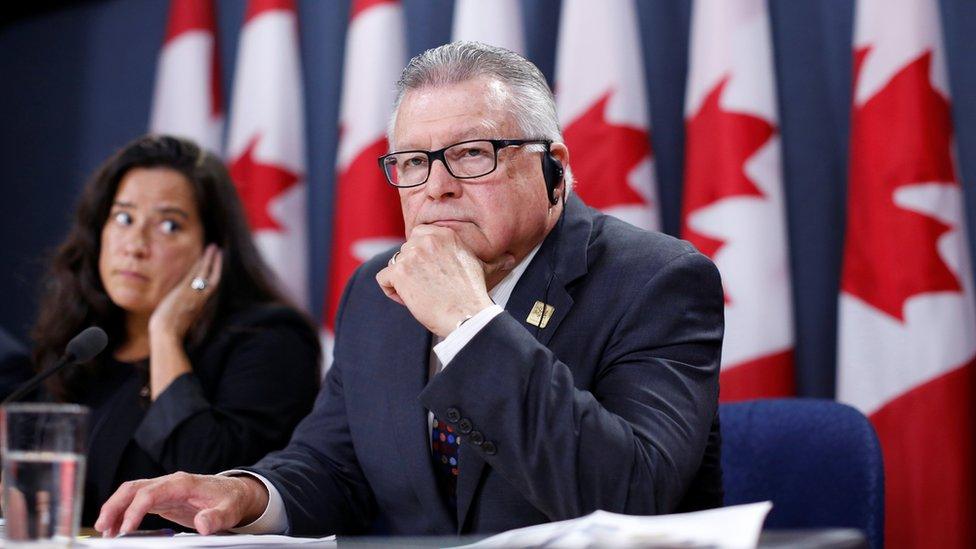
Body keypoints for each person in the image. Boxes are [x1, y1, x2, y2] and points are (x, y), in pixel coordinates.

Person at [95, 43, 723, 538]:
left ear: (551, 167)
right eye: (414, 162)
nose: (436, 187)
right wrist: (248, 495)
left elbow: (633, 496)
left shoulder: (656, 280)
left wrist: (469, 323)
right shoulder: (377, 290)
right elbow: (332, 466)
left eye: (473, 154)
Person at [27, 135, 321, 528]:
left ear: (212, 249)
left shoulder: (268, 341)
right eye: (124, 218)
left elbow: (208, 487)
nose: (135, 245)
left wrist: (164, 334)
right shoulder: (83, 344)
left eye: (168, 225)